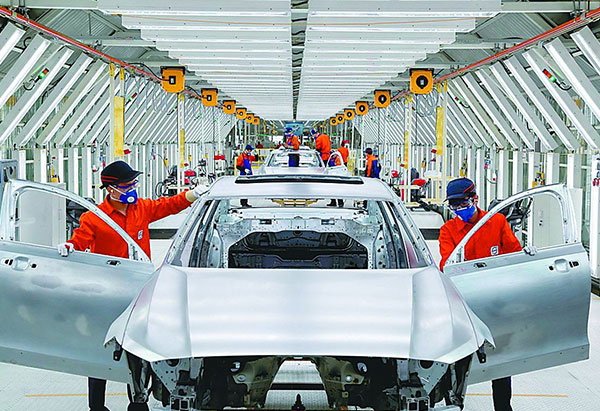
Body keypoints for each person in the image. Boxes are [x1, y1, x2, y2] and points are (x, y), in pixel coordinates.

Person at [57, 161, 205, 411]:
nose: (132, 189)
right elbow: (80, 241)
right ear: (111, 189)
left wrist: (192, 194)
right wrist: (69, 246)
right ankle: (97, 406)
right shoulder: (94, 218)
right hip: (105, 292)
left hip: (137, 291)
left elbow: (169, 206)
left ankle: (138, 402)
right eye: (127, 185)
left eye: (134, 184)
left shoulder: (142, 209)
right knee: (100, 350)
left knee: (137, 351)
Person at [438, 178, 535, 411]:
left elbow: (513, 255)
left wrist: (527, 256)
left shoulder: (496, 222)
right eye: (454, 205)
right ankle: (455, 404)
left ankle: (503, 407)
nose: (459, 209)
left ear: (475, 199)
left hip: (496, 302)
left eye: (463, 203)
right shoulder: (448, 230)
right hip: (464, 305)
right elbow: (447, 266)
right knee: (459, 362)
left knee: (500, 360)